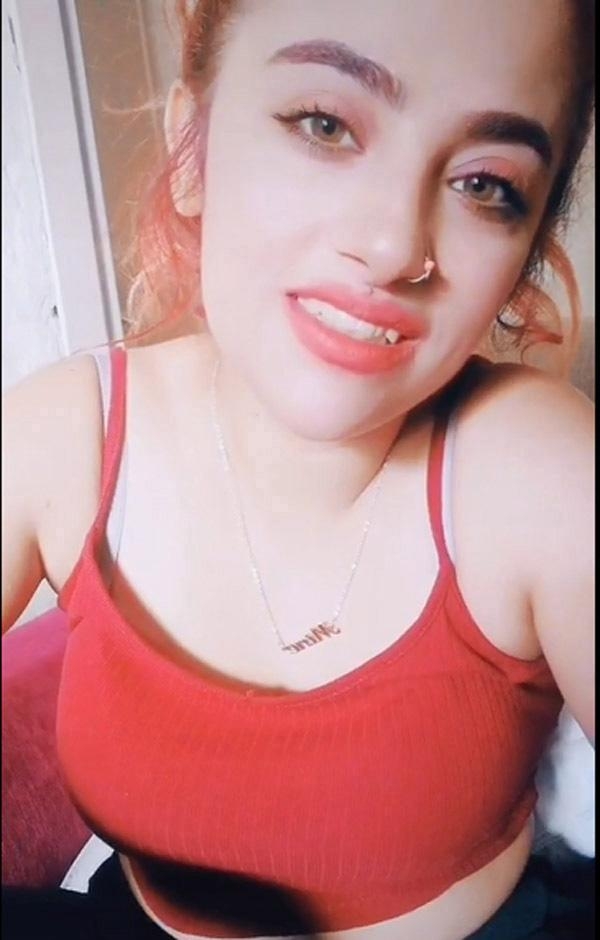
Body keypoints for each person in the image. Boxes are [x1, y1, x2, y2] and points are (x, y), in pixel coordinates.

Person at [1, 0, 595, 938]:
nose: (395, 248)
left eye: (486, 184)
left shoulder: (542, 473)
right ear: (193, 151)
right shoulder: (63, 434)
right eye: (325, 125)